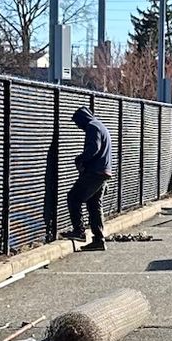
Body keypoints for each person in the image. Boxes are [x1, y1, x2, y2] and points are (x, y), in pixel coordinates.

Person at [67, 105, 112, 249]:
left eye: (78, 124)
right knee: (94, 205)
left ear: (82, 119)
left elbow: (94, 148)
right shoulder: (100, 126)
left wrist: (80, 159)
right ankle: (99, 240)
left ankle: (79, 231)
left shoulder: (92, 127)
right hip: (104, 172)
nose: (79, 127)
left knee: (74, 197)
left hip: (95, 172)